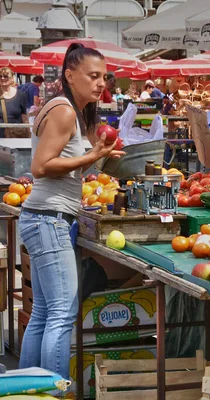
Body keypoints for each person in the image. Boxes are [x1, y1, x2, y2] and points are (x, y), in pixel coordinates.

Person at [19, 43, 125, 380]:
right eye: (92, 76)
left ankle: (30, 389)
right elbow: (40, 166)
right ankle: (54, 389)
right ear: (69, 75)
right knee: (62, 315)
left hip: (42, 217)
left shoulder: (67, 110)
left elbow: (61, 164)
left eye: (103, 77)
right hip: (49, 219)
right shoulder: (64, 111)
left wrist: (96, 155)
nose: (100, 83)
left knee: (44, 313)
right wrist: (92, 157)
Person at [0, 67, 28, 138]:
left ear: (12, 79)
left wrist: (28, 135)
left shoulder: (21, 95)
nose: (2, 78)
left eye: (6, 76)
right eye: (0, 76)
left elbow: (24, 118)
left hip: (16, 136)